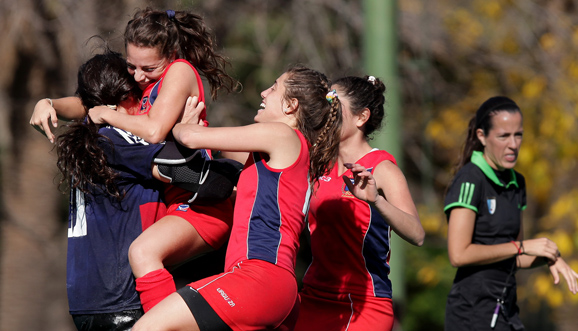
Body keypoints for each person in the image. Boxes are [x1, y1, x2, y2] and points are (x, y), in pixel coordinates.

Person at [30, 8, 239, 312]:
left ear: (171, 53)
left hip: (200, 203)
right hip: (176, 205)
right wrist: (48, 103)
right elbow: (89, 104)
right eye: (131, 66)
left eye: (149, 68)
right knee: (140, 262)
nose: (139, 76)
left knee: (141, 252)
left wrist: (108, 114)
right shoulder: (146, 88)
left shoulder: (179, 70)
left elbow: (153, 131)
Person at [129, 65, 342, 331]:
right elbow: (224, 150)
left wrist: (180, 121)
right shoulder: (294, 152)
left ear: (291, 106)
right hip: (279, 289)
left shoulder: (283, 134)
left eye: (274, 88)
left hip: (257, 279)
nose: (264, 93)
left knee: (146, 328)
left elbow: (191, 137)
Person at [293, 75, 424, 331]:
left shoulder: (382, 168)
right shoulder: (316, 163)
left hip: (365, 305)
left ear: (361, 117)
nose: (326, 111)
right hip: (313, 297)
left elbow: (417, 234)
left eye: (333, 104)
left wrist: (376, 201)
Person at [443, 96, 578, 331]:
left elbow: (514, 257)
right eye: (503, 136)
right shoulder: (470, 179)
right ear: (482, 136)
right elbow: (458, 254)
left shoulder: (518, 183)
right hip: (471, 313)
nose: (513, 144)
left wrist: (549, 256)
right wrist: (522, 246)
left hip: (507, 309)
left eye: (519, 135)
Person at [58, 50, 168, 330]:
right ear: (127, 96)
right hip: (121, 299)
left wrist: (49, 102)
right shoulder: (118, 138)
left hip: (87, 299)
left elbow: (84, 106)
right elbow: (183, 173)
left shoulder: (91, 134)